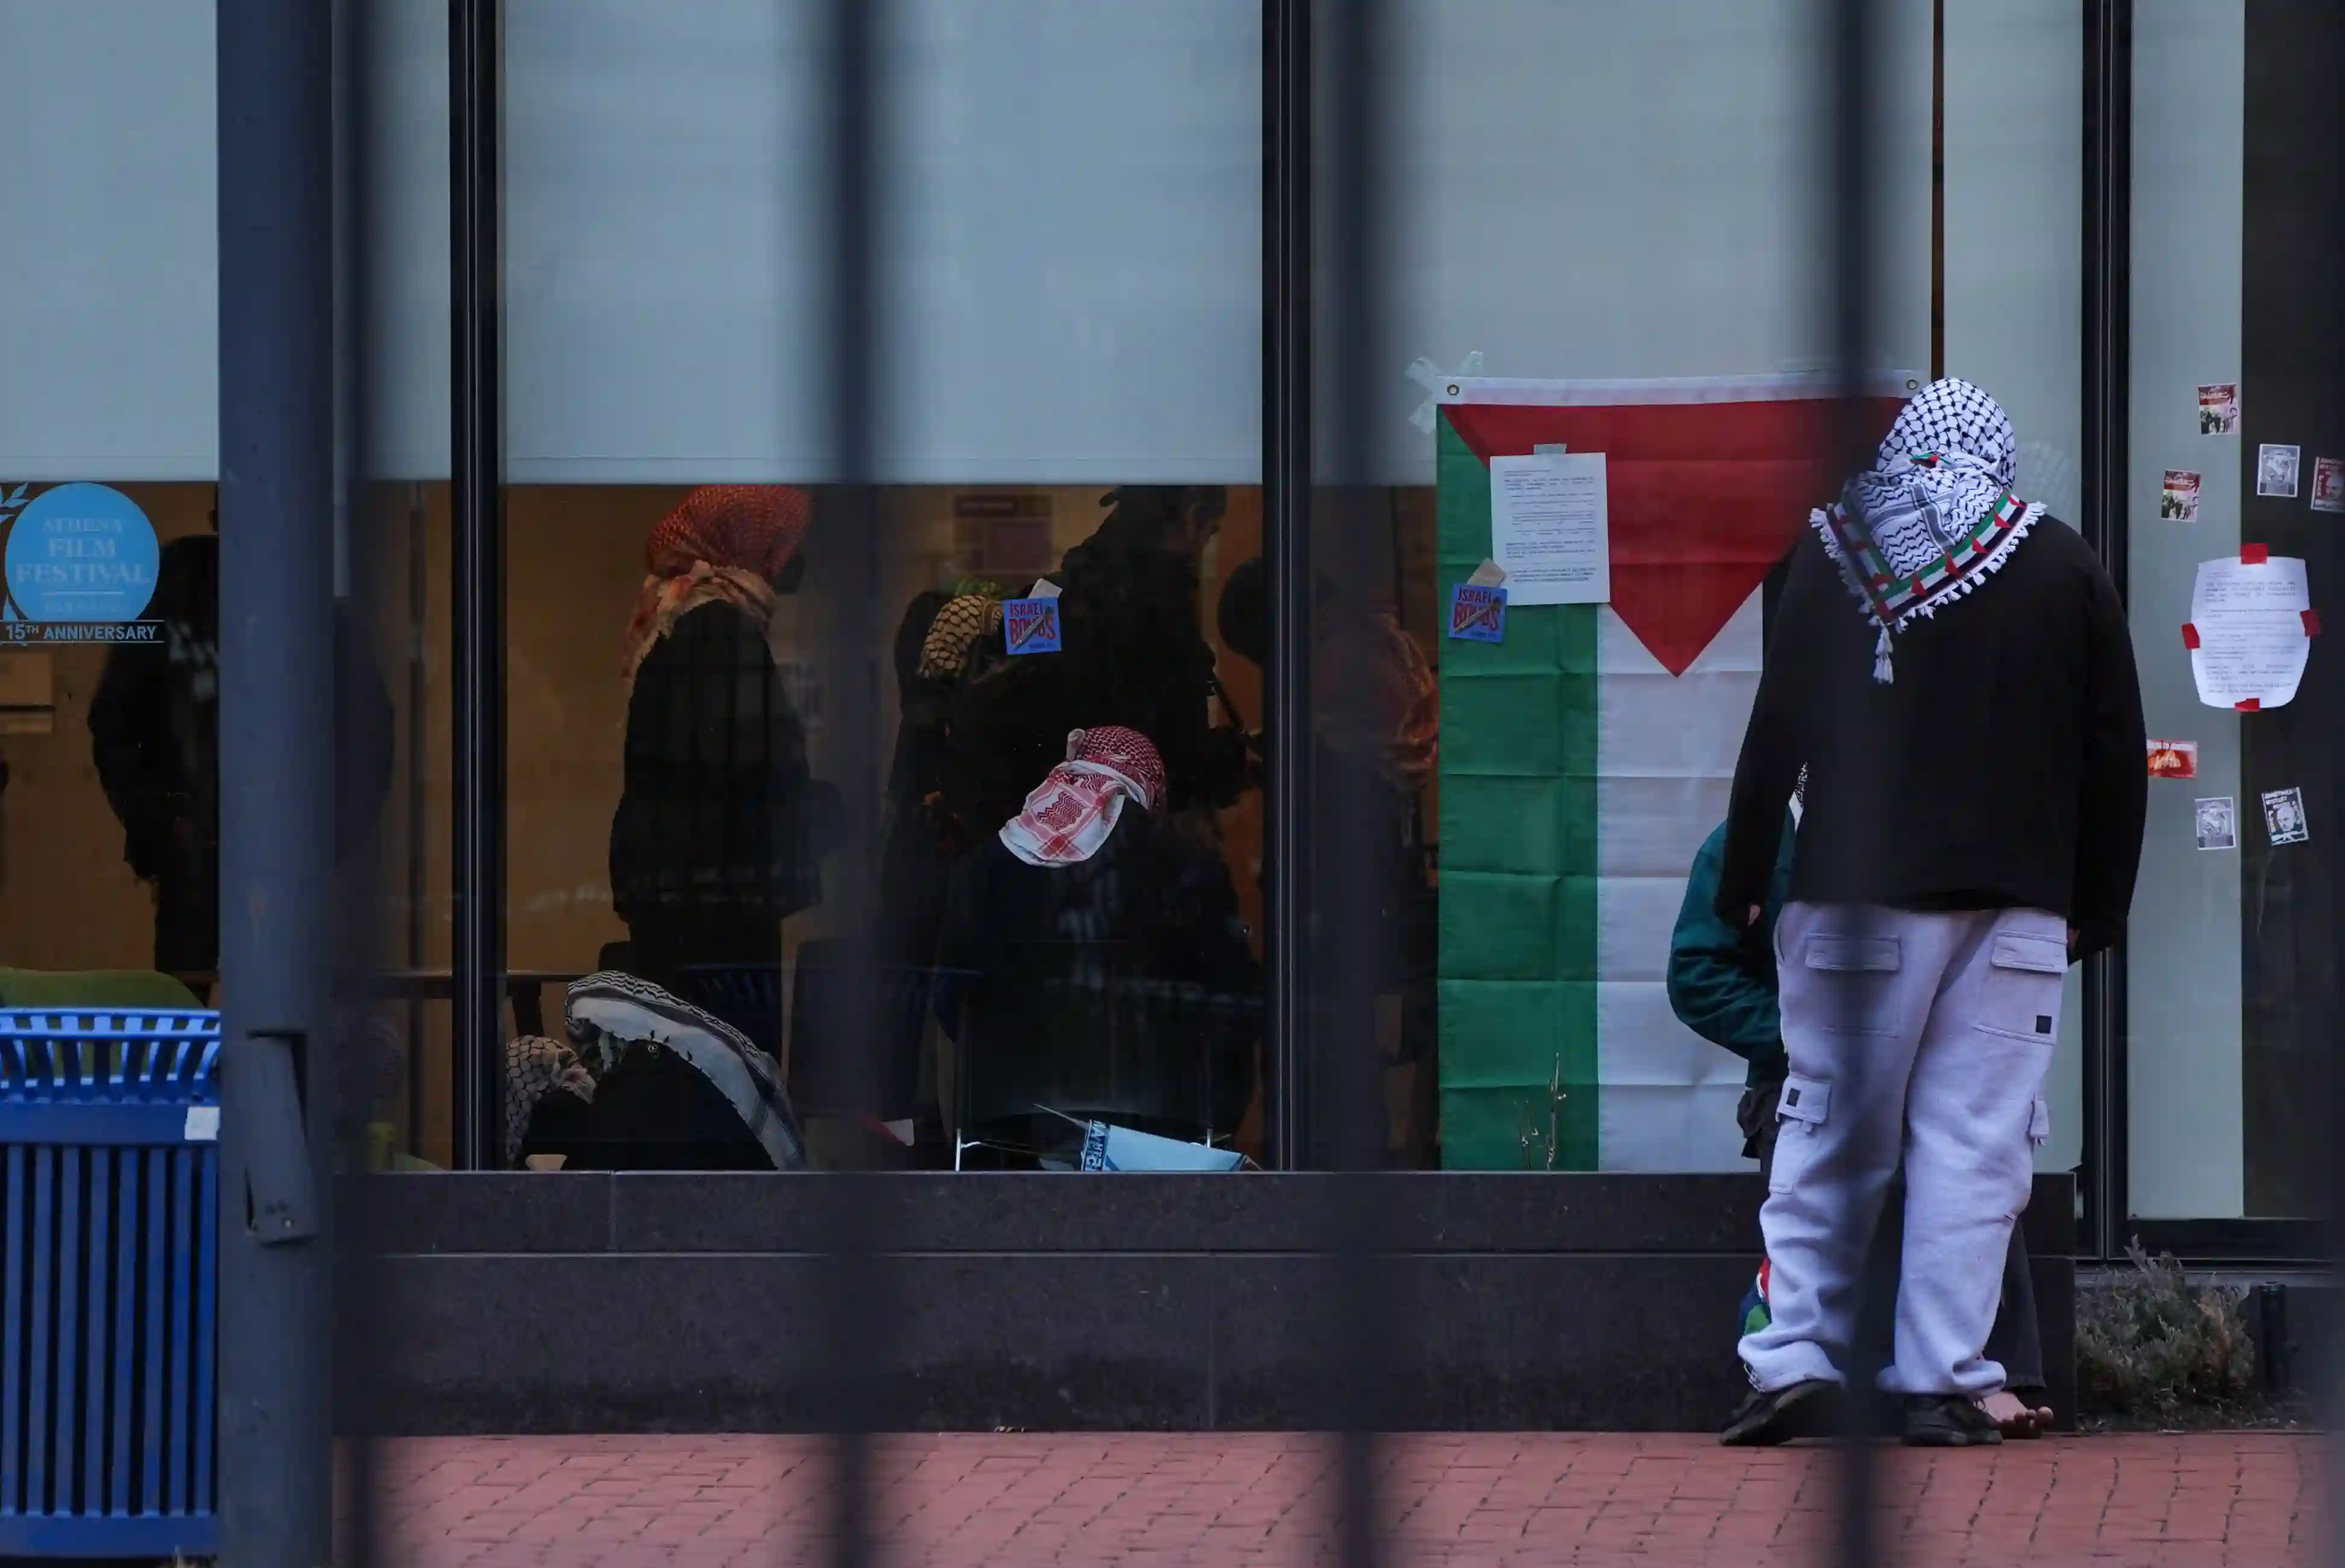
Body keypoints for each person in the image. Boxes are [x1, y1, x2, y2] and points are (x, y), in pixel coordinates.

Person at [1714, 378, 2145, 1448]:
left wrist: (1745, 879)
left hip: (1853, 902)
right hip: (2013, 911)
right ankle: (1944, 1376)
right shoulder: (2063, 562)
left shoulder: (1834, 552)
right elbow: (2114, 754)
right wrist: (2096, 905)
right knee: (1975, 1143)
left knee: (1826, 1127)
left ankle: (1789, 1363)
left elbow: (1775, 731)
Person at [1668, 770, 2055, 1439]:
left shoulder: (1914, 842)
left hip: (1919, 1079)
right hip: (1796, 1081)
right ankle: (1801, 1369)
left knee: (1973, 1169)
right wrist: (1799, 1038)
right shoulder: (1748, 843)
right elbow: (1695, 975)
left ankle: (1996, 1374)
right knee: (1830, 1178)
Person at [89, 511, 393, 984]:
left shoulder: (301, 600)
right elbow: (117, 718)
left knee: (239, 993)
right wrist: (162, 822)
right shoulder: (192, 588)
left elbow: (370, 731)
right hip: (218, 845)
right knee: (245, 992)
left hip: (246, 845)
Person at [932, 725, 1260, 1164]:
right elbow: (1232, 1009)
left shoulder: (979, 869)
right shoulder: (1188, 864)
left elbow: (951, 1004)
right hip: (1162, 1143)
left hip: (1012, 1142)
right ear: (1148, 788)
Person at [607, 484, 839, 1053]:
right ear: (750, 543)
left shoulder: (680, 618)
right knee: (731, 1074)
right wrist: (835, 812)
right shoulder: (719, 630)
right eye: (785, 542)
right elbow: (744, 768)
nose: (795, 558)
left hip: (683, 894)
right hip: (718, 906)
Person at [941, 487, 1249, 841]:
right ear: (1192, 519)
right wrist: (1229, 765)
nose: (1202, 550)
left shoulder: (1044, 600)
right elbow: (1177, 769)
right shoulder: (1164, 623)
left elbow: (991, 695)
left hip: (1023, 845)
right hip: (1107, 861)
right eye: (1210, 533)